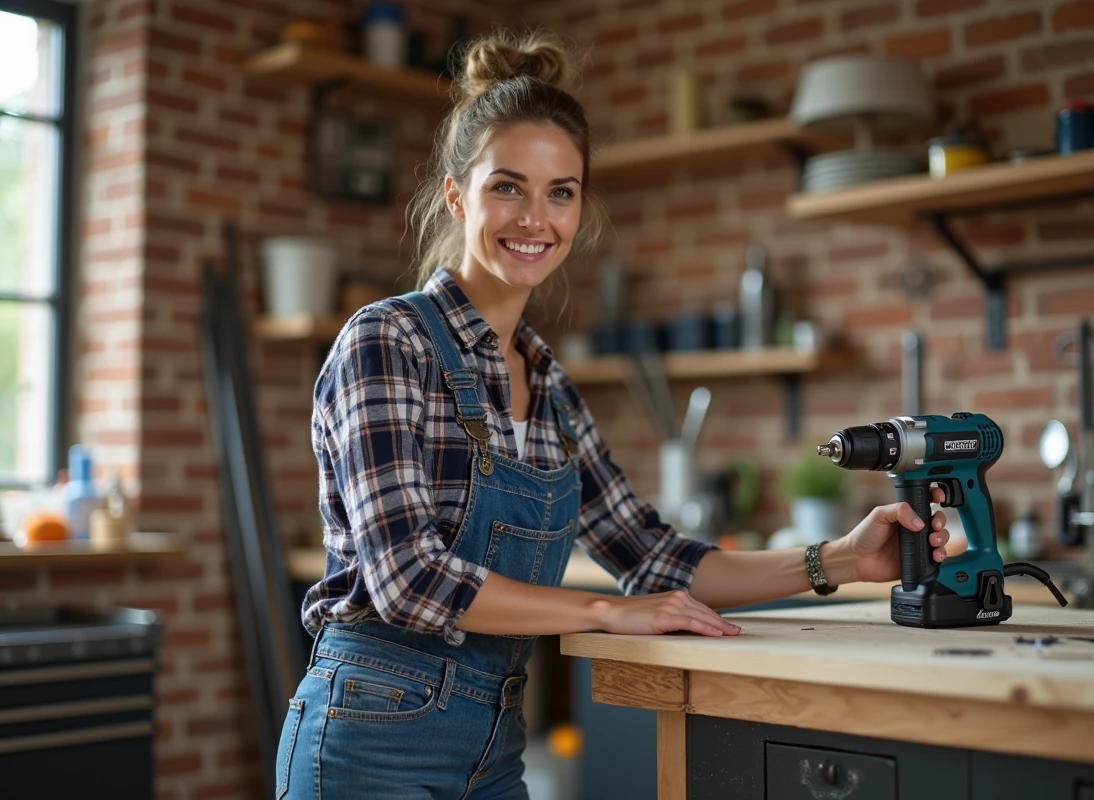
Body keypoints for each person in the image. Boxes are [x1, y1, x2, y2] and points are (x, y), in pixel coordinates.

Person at [275, 30, 951, 800]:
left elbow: (655, 557)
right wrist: (608, 611)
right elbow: (406, 579)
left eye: (560, 192)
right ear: (458, 196)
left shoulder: (551, 389)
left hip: (492, 752)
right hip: (369, 738)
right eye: (508, 187)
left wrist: (839, 560)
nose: (536, 218)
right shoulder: (388, 340)